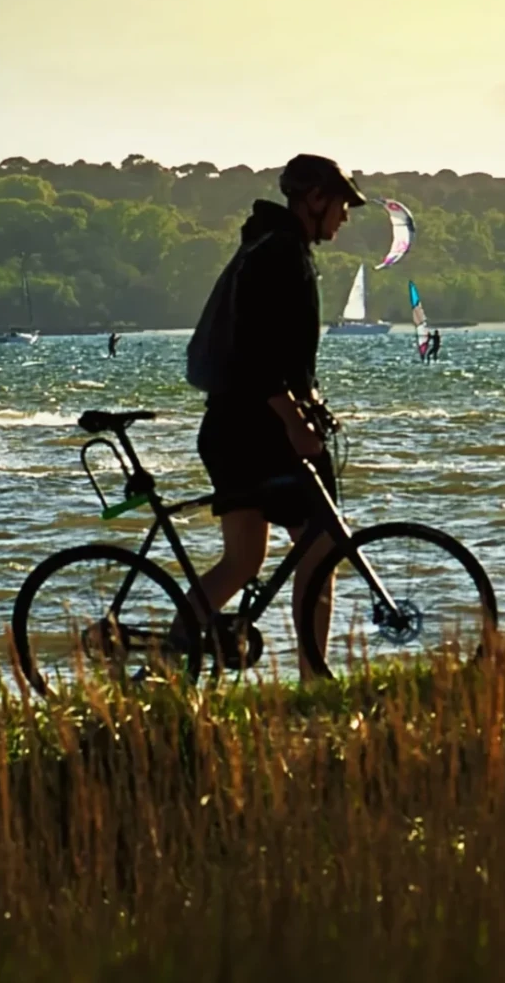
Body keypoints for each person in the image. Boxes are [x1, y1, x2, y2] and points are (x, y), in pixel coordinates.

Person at [185, 153, 366, 676]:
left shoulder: (272, 245)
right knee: (323, 546)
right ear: (314, 199)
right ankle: (314, 680)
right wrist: (292, 420)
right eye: (341, 204)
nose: (345, 217)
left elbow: (273, 356)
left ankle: (173, 643)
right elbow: (255, 354)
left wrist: (308, 404)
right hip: (256, 431)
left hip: (232, 427)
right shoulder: (279, 253)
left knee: (243, 562)